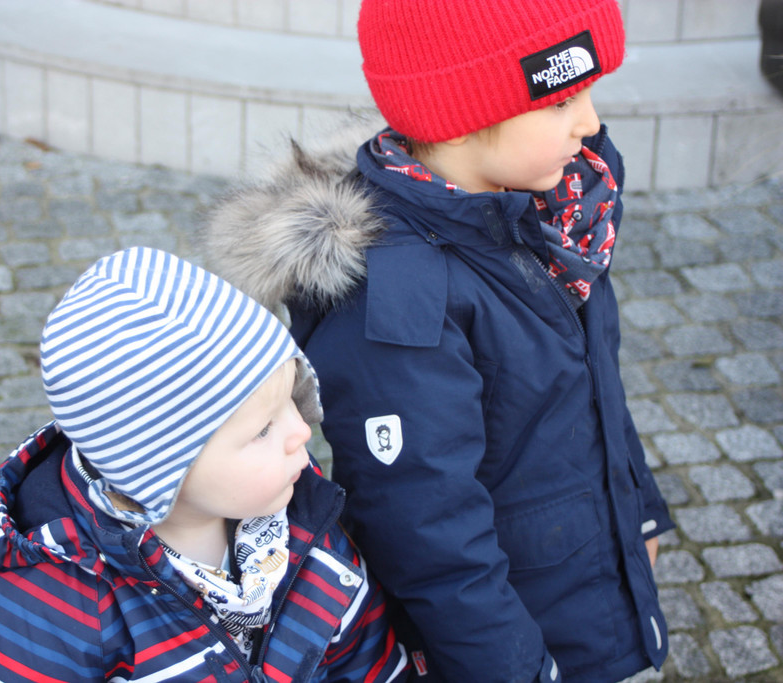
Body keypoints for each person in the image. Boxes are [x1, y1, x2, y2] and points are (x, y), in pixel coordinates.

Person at [203, 0, 674, 681]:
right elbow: (426, 532)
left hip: (591, 592)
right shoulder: (400, 294)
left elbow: (598, 391)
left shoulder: (561, 221)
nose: (590, 123)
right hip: (515, 633)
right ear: (463, 117)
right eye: (561, 101)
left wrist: (641, 514)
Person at [0, 247, 408, 682]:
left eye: (291, 397)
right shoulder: (49, 617)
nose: (302, 431)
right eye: (263, 429)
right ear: (162, 471)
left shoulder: (307, 528)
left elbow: (363, 660)